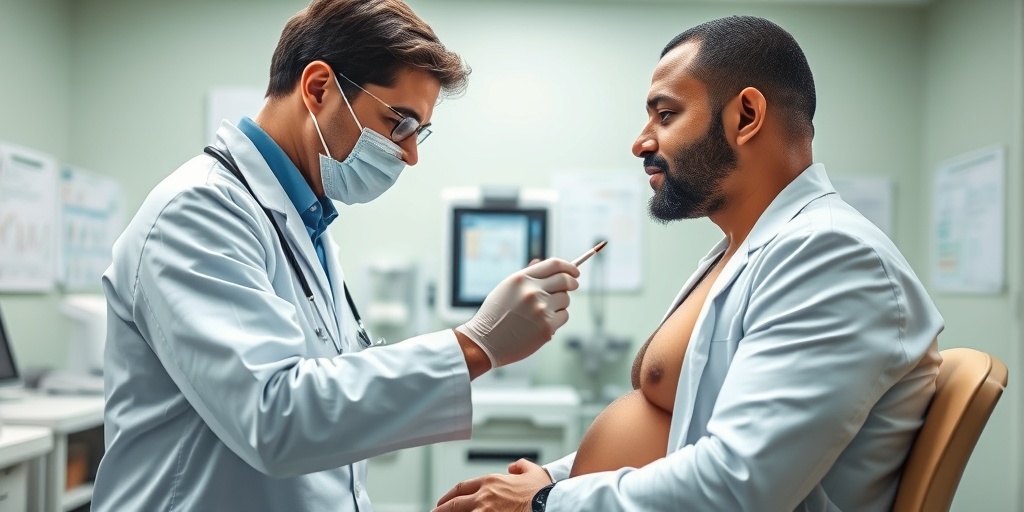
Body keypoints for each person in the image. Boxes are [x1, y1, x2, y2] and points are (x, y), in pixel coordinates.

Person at [434, 15, 943, 512]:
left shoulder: (830, 256)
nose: (641, 142)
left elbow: (741, 486)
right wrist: (554, 478)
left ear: (746, 116)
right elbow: (684, 434)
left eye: (666, 114)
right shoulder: (744, 250)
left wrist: (547, 501)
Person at [92, 1, 580, 510]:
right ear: (319, 88)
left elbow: (327, 416)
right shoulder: (197, 211)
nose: (411, 154)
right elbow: (274, 418)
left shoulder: (307, 224)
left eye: (419, 131)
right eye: (400, 123)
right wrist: (475, 345)